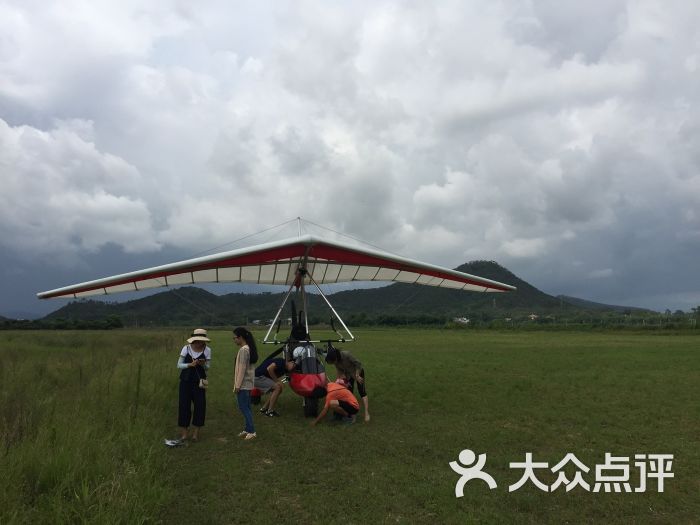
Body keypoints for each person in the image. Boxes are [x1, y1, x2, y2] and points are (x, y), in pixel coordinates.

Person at [173, 328, 212, 444]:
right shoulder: (186, 348)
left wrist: (203, 364)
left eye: (202, 340)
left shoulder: (208, 350)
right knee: (184, 405)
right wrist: (190, 364)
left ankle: (196, 434)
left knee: (200, 405)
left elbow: (208, 367)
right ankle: (184, 434)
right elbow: (179, 365)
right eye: (199, 340)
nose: (201, 342)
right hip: (185, 381)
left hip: (200, 381)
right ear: (194, 339)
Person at [325, 348, 370, 422]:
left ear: (335, 358)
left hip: (358, 372)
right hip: (349, 375)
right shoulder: (336, 362)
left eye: (332, 362)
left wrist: (357, 375)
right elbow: (340, 371)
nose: (333, 363)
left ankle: (366, 413)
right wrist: (340, 381)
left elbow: (358, 363)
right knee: (348, 392)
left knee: (362, 391)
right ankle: (351, 414)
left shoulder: (346, 354)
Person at [233, 327, 259, 440]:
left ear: (241, 337)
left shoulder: (244, 350)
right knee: (247, 407)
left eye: (234, 337)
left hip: (243, 384)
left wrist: (237, 386)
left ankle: (252, 431)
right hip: (247, 383)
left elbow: (242, 369)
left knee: (243, 407)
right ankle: (247, 429)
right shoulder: (248, 348)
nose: (234, 340)